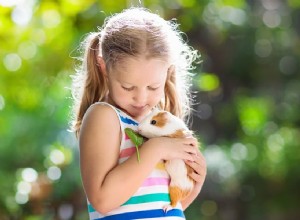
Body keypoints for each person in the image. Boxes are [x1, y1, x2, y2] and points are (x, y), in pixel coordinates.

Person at [71, 7, 207, 220]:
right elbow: (103, 201)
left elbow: (160, 207)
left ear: (167, 71)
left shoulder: (158, 125)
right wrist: (156, 149)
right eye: (128, 87)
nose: (141, 99)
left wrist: (194, 184)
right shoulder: (104, 117)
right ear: (103, 66)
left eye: (153, 87)